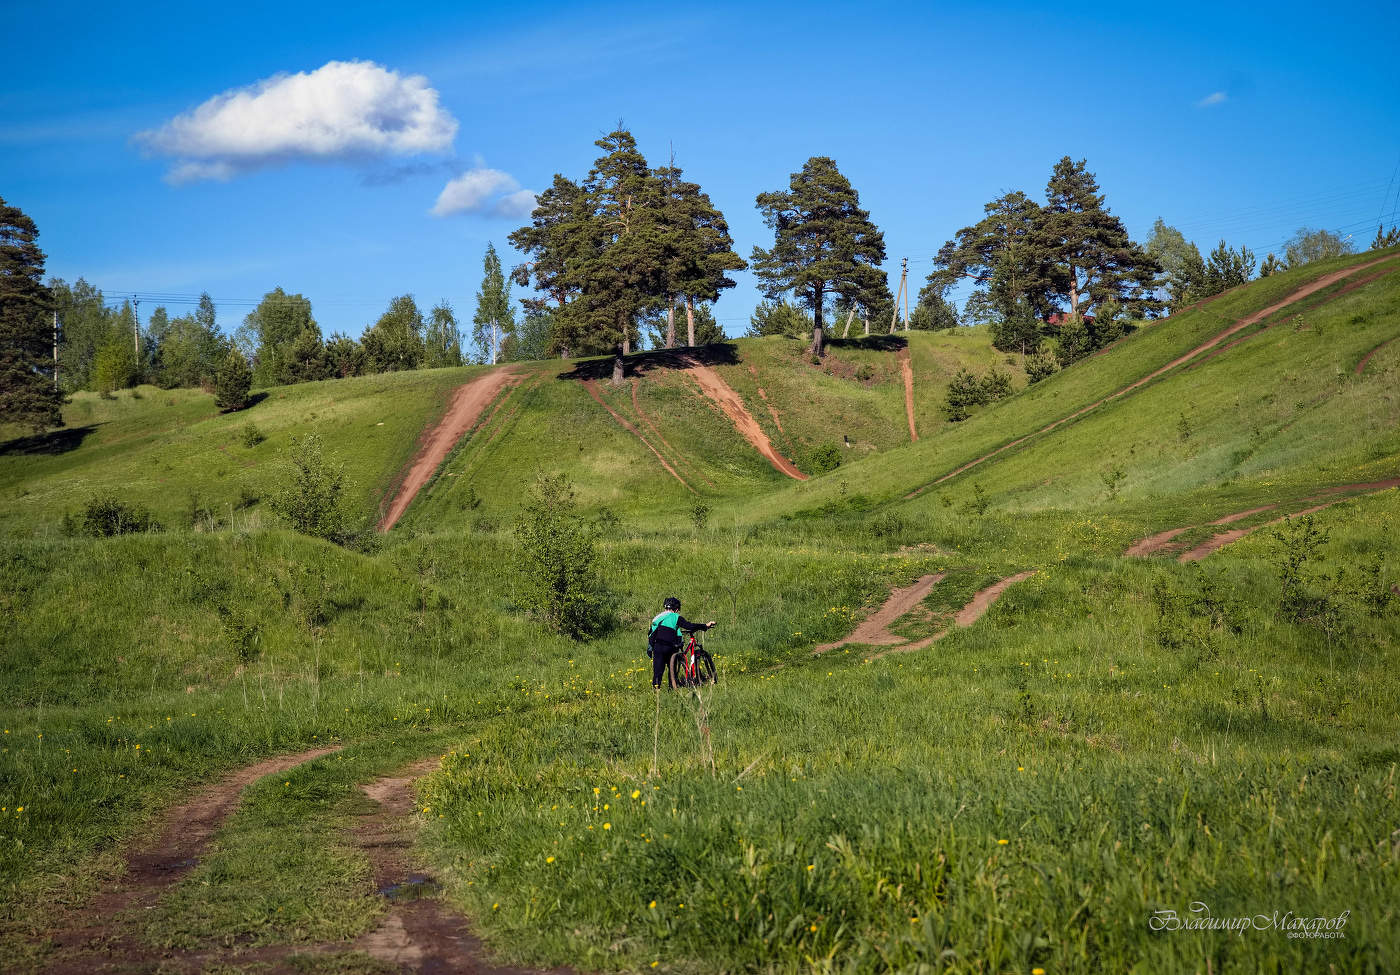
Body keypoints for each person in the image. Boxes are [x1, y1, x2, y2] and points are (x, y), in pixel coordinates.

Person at [648, 596, 715, 689]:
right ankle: (672, 688)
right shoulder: (675, 616)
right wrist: (705, 626)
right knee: (673, 669)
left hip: (657, 646)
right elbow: (689, 626)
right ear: (676, 609)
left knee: (658, 671)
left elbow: (651, 633)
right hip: (669, 647)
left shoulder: (657, 618)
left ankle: (656, 691)